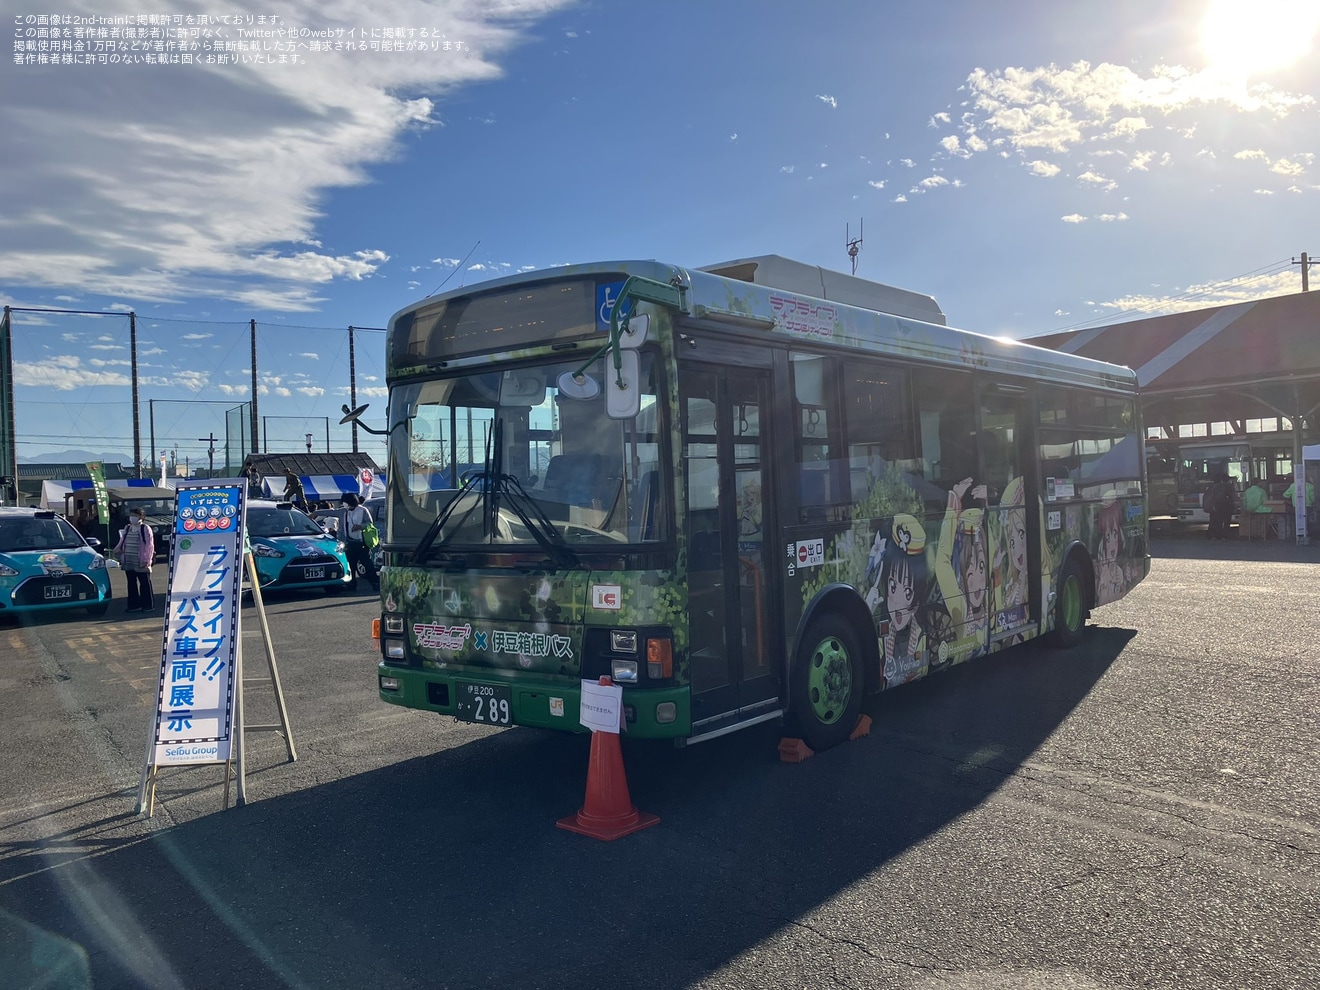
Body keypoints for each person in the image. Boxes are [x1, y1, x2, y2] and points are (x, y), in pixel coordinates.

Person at [114, 506, 156, 613]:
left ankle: (148, 605)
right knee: (131, 583)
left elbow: (149, 546)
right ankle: (133, 605)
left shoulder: (145, 528)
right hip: (129, 559)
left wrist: (146, 560)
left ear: (141, 517)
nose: (132, 518)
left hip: (141, 560)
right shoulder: (128, 527)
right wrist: (118, 550)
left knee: (144, 583)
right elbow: (122, 540)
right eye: (131, 515)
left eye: (135, 516)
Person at [339, 492, 377, 591]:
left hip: (361, 542)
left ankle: (375, 582)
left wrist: (360, 526)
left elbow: (369, 523)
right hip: (349, 543)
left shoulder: (363, 510)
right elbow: (329, 512)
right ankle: (351, 585)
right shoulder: (344, 511)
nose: (344, 504)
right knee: (351, 565)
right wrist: (315, 513)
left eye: (345, 502)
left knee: (367, 564)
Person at [1204, 473, 1236, 540]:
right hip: (1227, 506)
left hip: (1217, 506)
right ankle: (1225, 535)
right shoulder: (1229, 486)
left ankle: (1215, 535)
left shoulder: (1214, 486)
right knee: (1227, 521)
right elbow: (1233, 496)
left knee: (1218, 521)